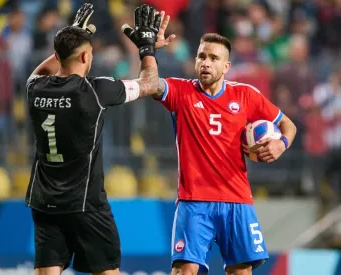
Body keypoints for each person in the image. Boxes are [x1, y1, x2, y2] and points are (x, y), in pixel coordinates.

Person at [125, 31, 297, 274]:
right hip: (194, 201)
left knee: (241, 272)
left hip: (237, 200)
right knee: (185, 270)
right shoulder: (181, 92)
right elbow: (150, 84)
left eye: (213, 58)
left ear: (226, 66)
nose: (205, 62)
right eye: (201, 56)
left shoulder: (245, 95)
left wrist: (282, 143)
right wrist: (148, 52)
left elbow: (288, 126)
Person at [25, 4, 171, 275]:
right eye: (89, 53)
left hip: (45, 202)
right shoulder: (94, 90)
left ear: (57, 54)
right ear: (84, 58)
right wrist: (147, 49)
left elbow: (43, 69)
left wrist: (73, 34)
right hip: (85, 204)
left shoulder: (35, 88)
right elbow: (151, 84)